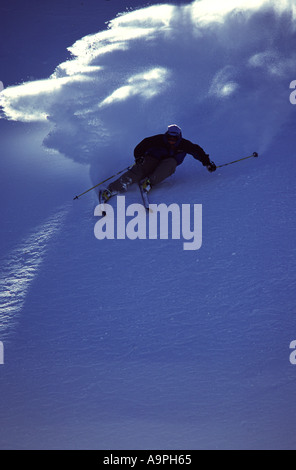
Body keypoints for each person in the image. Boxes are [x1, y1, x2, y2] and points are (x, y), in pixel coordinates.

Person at [101, 124, 216, 201]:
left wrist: (207, 163)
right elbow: (141, 146)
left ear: (179, 138)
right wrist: (139, 157)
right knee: (139, 170)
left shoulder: (184, 145)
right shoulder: (158, 140)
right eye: (169, 138)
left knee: (171, 164)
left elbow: (197, 151)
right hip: (152, 159)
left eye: (174, 139)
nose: (171, 141)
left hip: (167, 164)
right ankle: (112, 189)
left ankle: (149, 183)